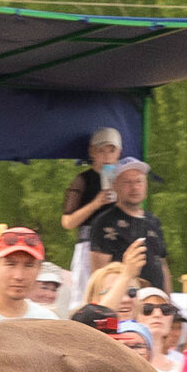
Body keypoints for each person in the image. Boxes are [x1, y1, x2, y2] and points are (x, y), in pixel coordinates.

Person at [83, 158, 171, 291]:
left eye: (139, 181)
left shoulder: (153, 220)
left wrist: (167, 298)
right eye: (127, 182)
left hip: (155, 300)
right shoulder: (104, 222)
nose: (134, 187)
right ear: (114, 186)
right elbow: (99, 275)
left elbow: (162, 264)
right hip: (124, 298)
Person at [60, 127, 125, 298]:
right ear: (92, 152)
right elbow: (67, 222)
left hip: (120, 244)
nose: (107, 156)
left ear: (119, 152)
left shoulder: (125, 180)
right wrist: (96, 203)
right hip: (89, 246)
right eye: (101, 150)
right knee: (87, 295)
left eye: (111, 150)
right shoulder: (83, 180)